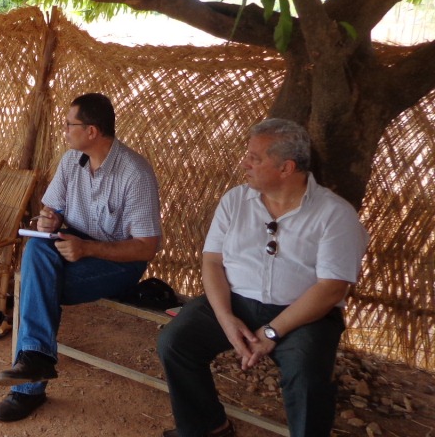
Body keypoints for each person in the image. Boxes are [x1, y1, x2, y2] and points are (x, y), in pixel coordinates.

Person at [156, 119, 368, 437]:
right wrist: (226, 319)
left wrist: (271, 332)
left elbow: (330, 288)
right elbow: (212, 261)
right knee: (175, 342)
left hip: (305, 314)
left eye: (255, 158)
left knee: (307, 375)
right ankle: (208, 427)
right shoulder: (236, 201)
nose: (246, 163)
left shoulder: (334, 215)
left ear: (286, 168)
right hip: (238, 302)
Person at [0, 92, 162, 422]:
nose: (64, 131)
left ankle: (29, 386)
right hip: (77, 247)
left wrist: (88, 249)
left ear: (92, 131)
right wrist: (49, 221)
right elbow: (51, 209)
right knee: (38, 245)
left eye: (70, 125)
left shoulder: (134, 173)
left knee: (40, 286)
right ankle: (37, 360)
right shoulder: (71, 161)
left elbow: (146, 246)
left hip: (120, 261)